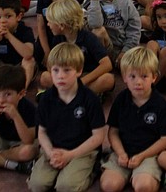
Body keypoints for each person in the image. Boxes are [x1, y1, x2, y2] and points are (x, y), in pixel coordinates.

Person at [27, 43, 107, 192]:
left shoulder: (89, 99)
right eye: (55, 70)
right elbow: (42, 132)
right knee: (37, 185)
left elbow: (98, 136)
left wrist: (70, 155)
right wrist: (50, 153)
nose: (60, 76)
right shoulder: (46, 99)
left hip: (82, 151)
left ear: (79, 71)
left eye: (67, 70)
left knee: (66, 187)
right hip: (54, 149)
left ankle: (93, 170)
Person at [99, 47, 166, 192]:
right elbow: (113, 132)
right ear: (124, 78)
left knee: (143, 186)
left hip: (149, 155)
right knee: (109, 185)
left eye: (144, 76)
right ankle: (116, 167)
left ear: (154, 77)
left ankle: (156, 174)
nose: (138, 82)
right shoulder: (121, 100)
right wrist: (120, 153)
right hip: (123, 152)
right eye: (132, 76)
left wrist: (142, 156)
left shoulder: (161, 105)